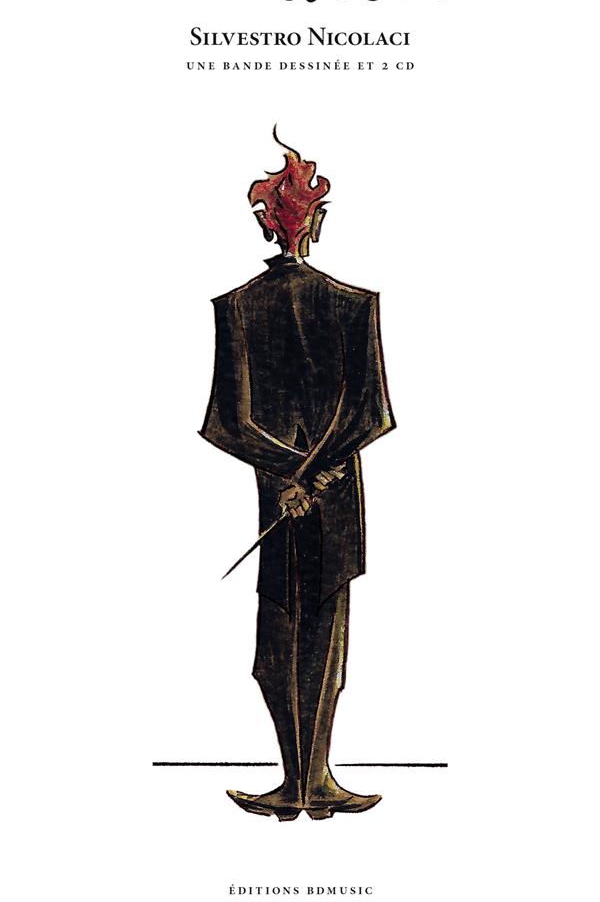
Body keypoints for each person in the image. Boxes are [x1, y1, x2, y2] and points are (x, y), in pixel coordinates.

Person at [201, 129, 395, 820]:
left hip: (285, 493)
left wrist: (289, 475)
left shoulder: (238, 306)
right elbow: (371, 413)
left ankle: (303, 780)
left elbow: (228, 421)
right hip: (321, 492)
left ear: (266, 223)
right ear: (318, 221)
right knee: (316, 630)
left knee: (284, 626)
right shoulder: (353, 303)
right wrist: (313, 473)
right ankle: (308, 780)